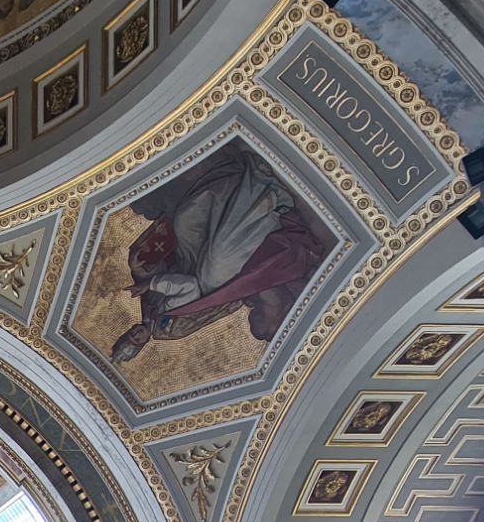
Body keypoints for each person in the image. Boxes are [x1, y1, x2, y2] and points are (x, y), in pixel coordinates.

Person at [111, 145, 328, 365]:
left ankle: (238, 180)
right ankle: (269, 200)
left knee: (185, 221)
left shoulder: (149, 311)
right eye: (137, 340)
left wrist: (139, 270)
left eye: (130, 334)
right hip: (211, 287)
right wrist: (151, 284)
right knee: (219, 257)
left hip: (188, 264)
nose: (136, 334)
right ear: (143, 344)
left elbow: (157, 279)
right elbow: (190, 289)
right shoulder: (168, 327)